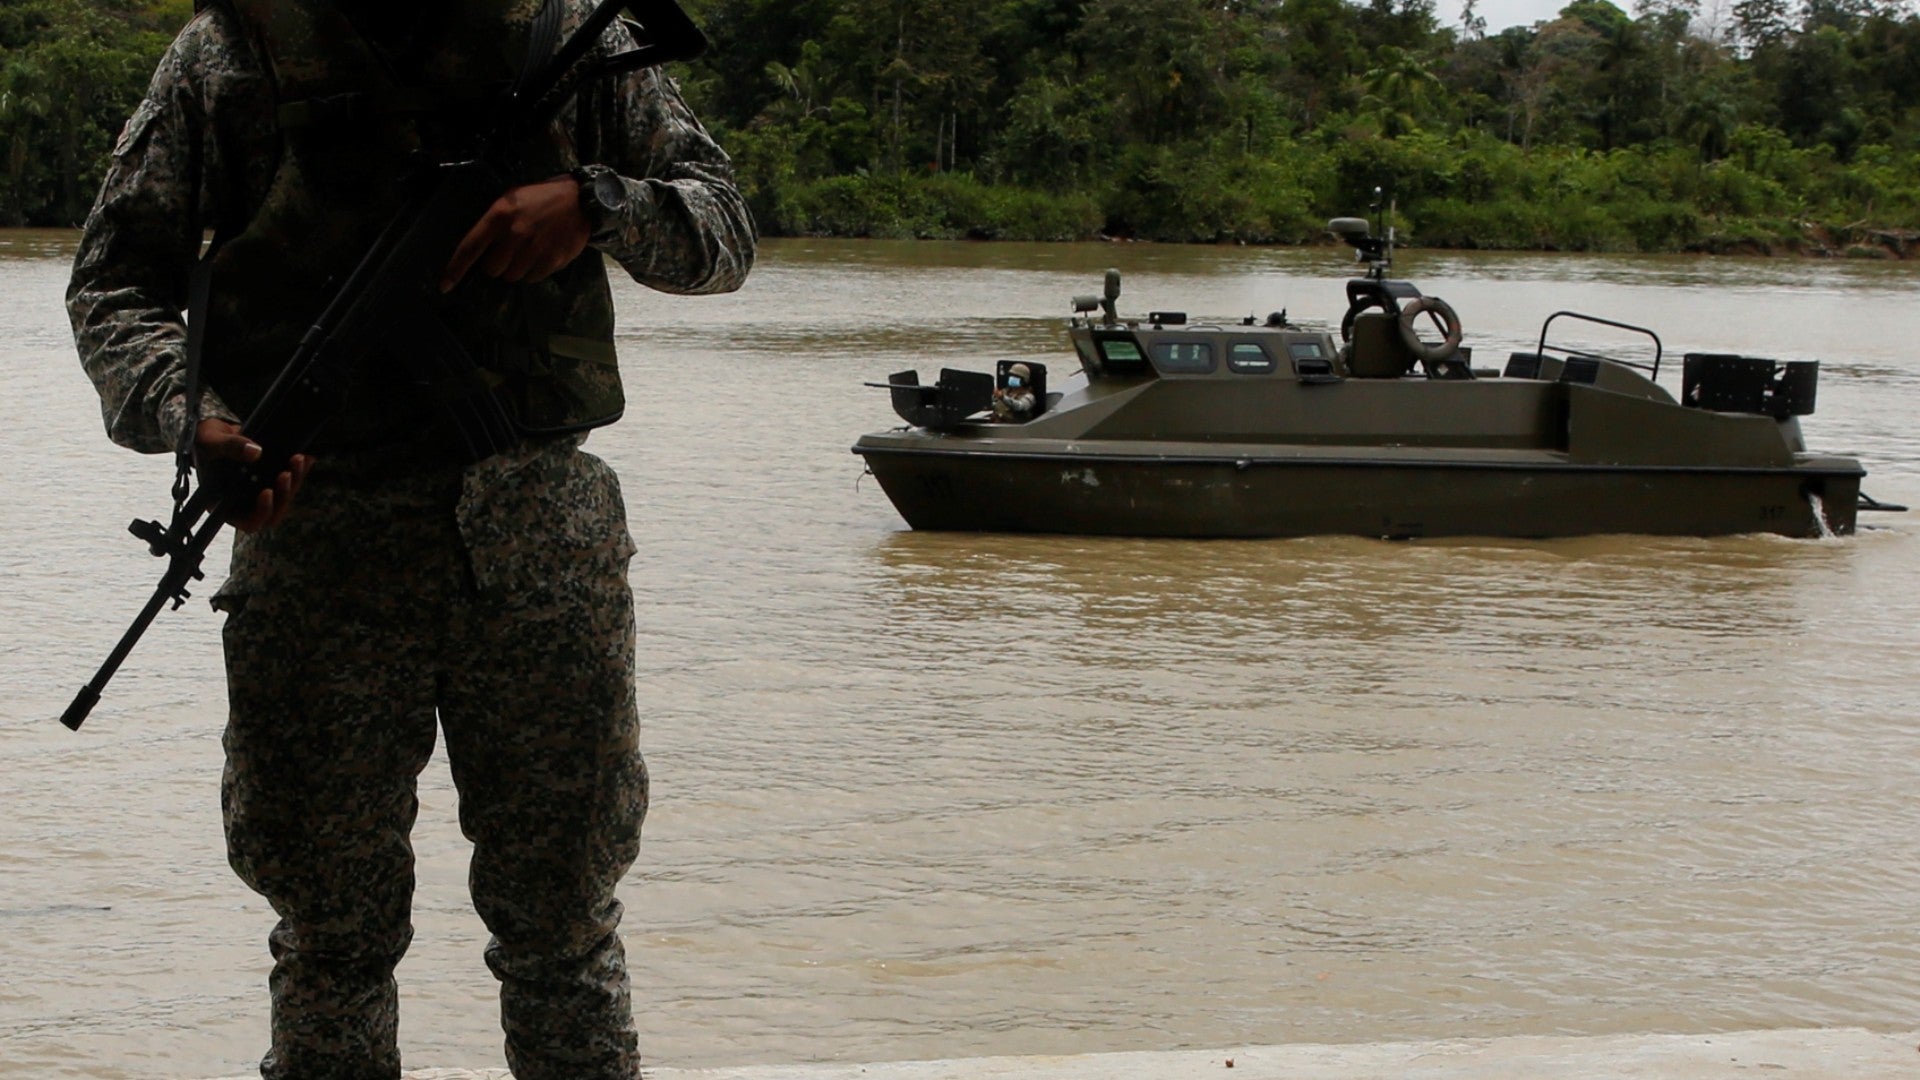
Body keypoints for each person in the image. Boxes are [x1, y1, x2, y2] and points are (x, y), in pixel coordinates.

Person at [65, 2, 754, 1078]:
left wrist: (597, 203)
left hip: (541, 540)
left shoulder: (572, 29)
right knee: (328, 938)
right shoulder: (232, 52)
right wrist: (190, 417)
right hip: (318, 537)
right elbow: (115, 279)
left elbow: (722, 232)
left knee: (564, 930)